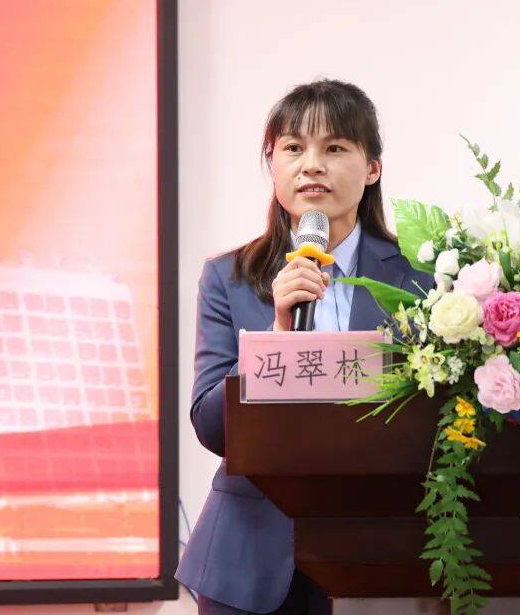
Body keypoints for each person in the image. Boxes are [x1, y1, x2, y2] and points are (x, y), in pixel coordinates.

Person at [175, 79, 434, 614]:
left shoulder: (423, 280)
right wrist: (276, 339)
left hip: (384, 552)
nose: (311, 165)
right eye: (293, 148)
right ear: (273, 165)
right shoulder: (228, 277)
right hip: (252, 562)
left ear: (372, 168)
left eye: (334, 148)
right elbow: (211, 427)